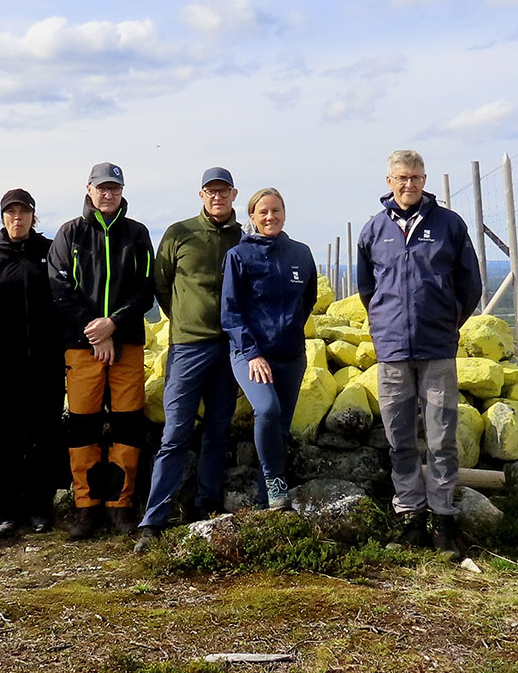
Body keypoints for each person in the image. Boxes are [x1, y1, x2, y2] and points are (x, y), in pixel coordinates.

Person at [355, 149, 483, 553]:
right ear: (388, 182)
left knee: (442, 436)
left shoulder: (450, 225)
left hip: (436, 347)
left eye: (415, 177)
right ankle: (410, 516)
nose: (408, 184)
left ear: (425, 180)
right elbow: (367, 289)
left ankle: (443, 518)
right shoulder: (373, 230)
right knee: (399, 436)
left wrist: (447, 323)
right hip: (392, 350)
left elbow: (470, 286)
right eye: (401, 178)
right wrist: (385, 326)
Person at [137, 167, 245, 550]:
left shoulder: (242, 238)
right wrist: (181, 318)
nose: (217, 197)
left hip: (229, 348)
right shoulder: (179, 233)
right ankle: (153, 521)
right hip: (187, 347)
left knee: (218, 430)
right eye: (210, 191)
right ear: (201, 195)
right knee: (175, 432)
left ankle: (206, 508)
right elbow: (161, 284)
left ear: (234, 194)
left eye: (223, 191)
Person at [48, 162, 156, 539]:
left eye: (114, 188)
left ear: (122, 191)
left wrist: (115, 324)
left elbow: (146, 289)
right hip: (82, 345)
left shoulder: (137, 234)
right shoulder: (70, 234)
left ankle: (121, 506)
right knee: (82, 427)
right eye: (101, 187)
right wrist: (98, 329)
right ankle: (86, 508)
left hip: (127, 342)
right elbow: (60, 288)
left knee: (128, 425)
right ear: (89, 190)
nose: (107, 194)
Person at [0, 188, 68, 539]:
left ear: (33, 217)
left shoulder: (51, 250)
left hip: (48, 362)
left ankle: (40, 509)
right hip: (5, 365)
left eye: (23, 212)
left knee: (45, 438)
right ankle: (7, 514)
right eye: (10, 213)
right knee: (8, 440)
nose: (17, 218)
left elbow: (68, 301)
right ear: (2, 218)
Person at [220, 188, 320, 517]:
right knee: (266, 409)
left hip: (291, 355)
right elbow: (231, 313)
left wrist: (289, 330)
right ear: (251, 217)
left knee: (281, 428)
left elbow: (307, 300)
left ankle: (269, 508)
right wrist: (253, 353)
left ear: (285, 213)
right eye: (262, 212)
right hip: (249, 355)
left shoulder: (301, 254)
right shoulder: (238, 256)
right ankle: (276, 485)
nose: (269, 217)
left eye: (275, 210)